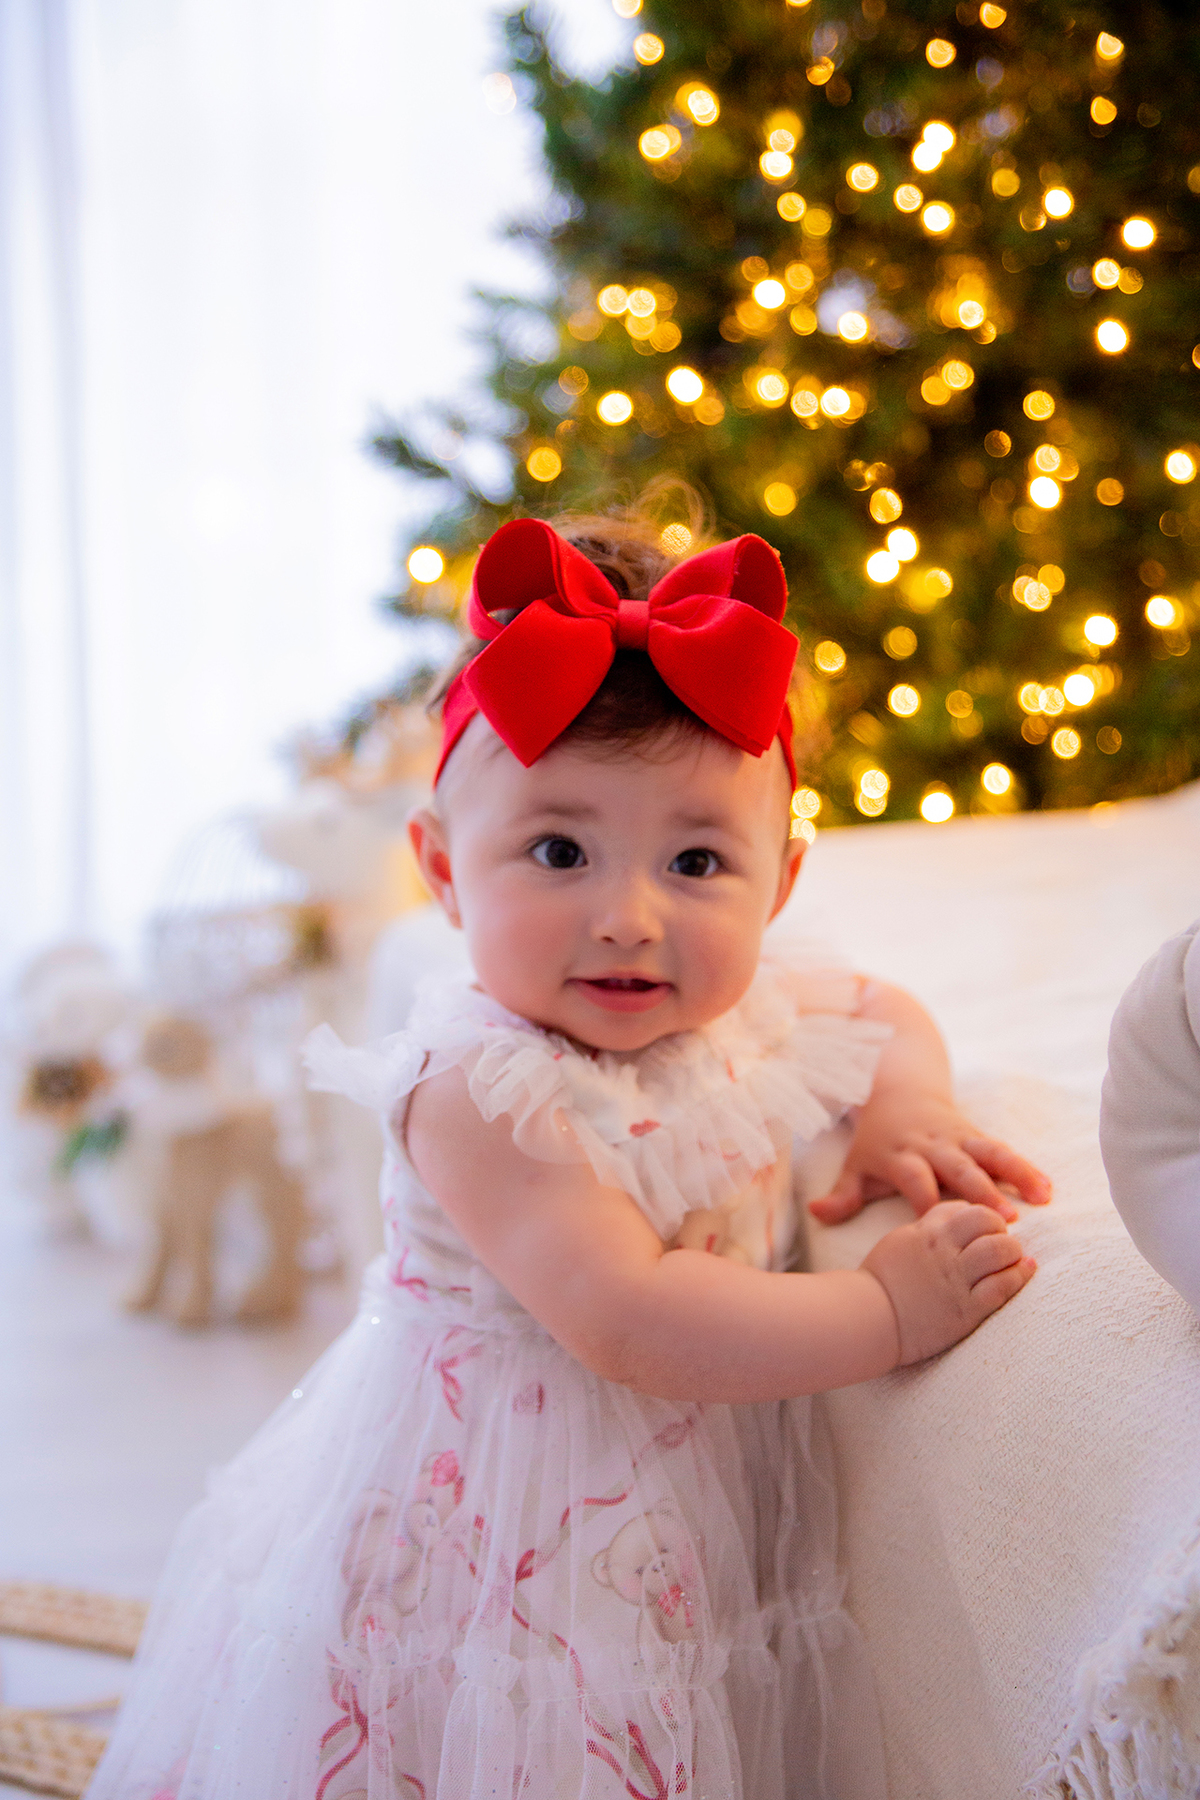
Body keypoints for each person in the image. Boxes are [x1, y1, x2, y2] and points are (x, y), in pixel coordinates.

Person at [87, 507, 1050, 1800]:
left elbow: (883, 1012)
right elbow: (628, 1315)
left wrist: (904, 1110)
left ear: (781, 885)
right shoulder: (481, 1090)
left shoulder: (757, 1006)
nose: (629, 918)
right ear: (440, 869)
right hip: (505, 1548)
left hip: (673, 1527)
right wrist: (883, 1310)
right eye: (558, 851)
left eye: (698, 859)